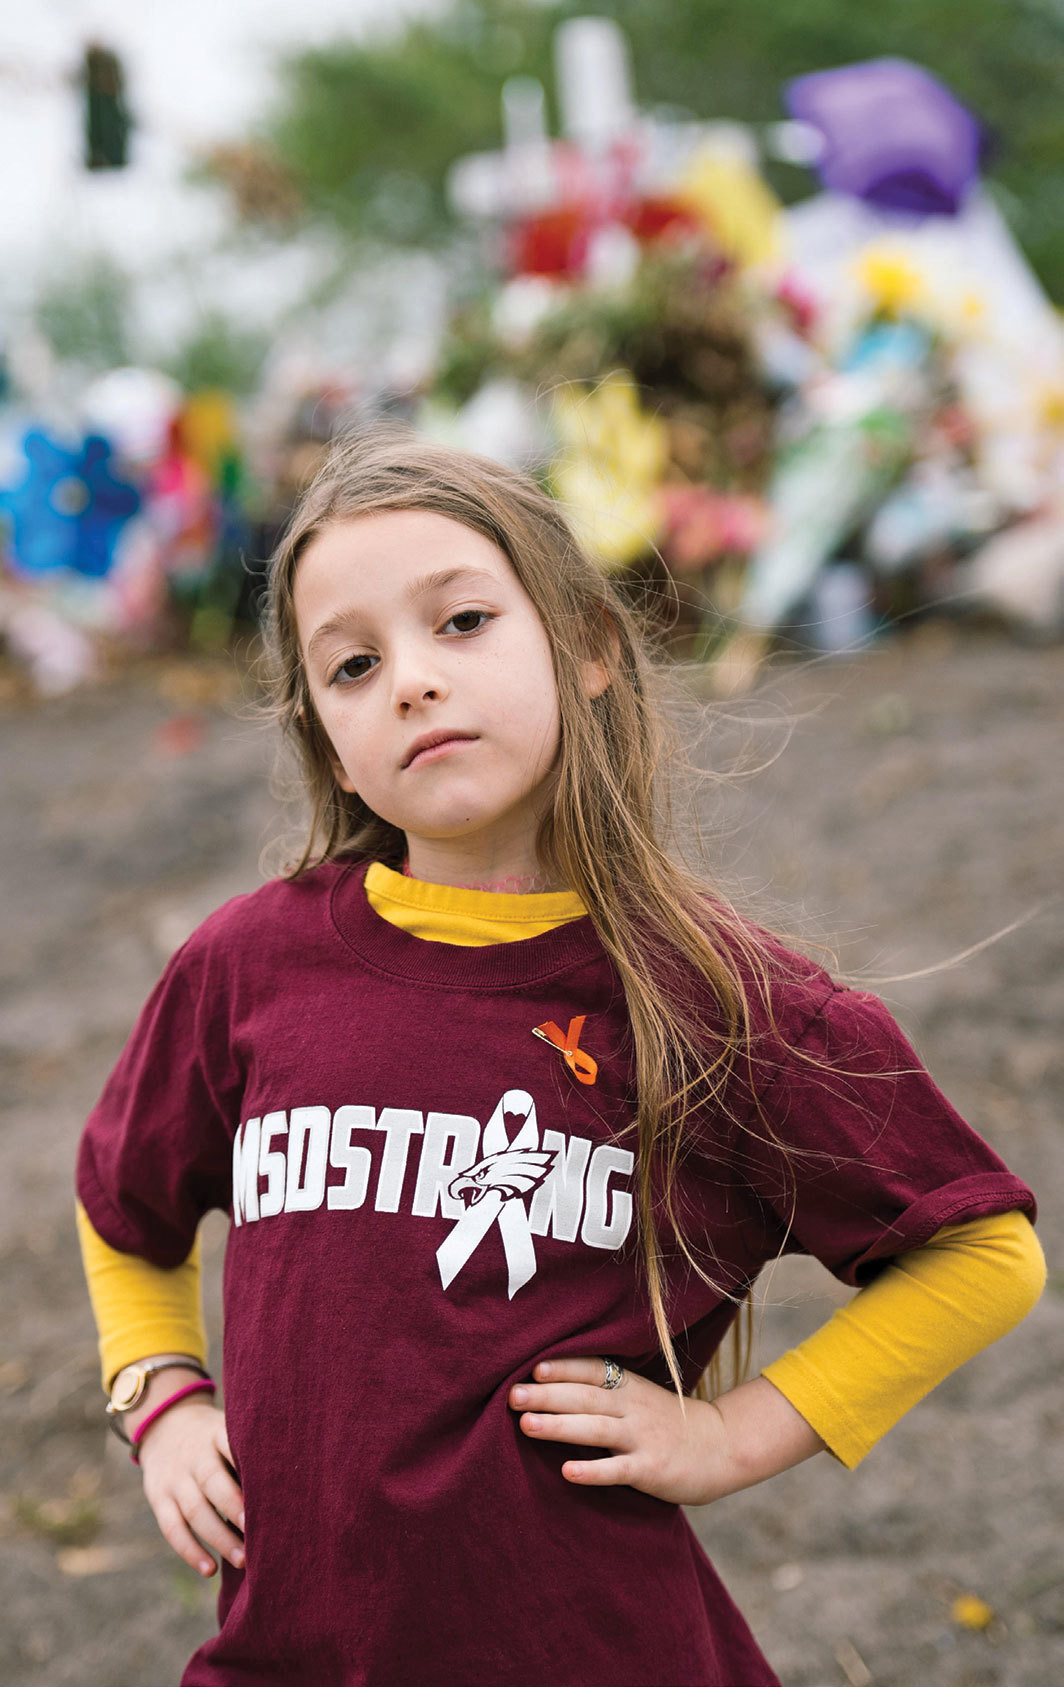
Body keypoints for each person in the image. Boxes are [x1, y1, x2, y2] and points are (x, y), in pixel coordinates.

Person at [76, 429, 1044, 1687]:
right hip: (287, 1651)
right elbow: (125, 1206)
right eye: (354, 665)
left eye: (462, 621)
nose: (411, 681)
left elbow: (980, 1251)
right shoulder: (249, 966)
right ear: (323, 735)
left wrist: (728, 1437)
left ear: (586, 645)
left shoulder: (712, 998)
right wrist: (158, 1399)